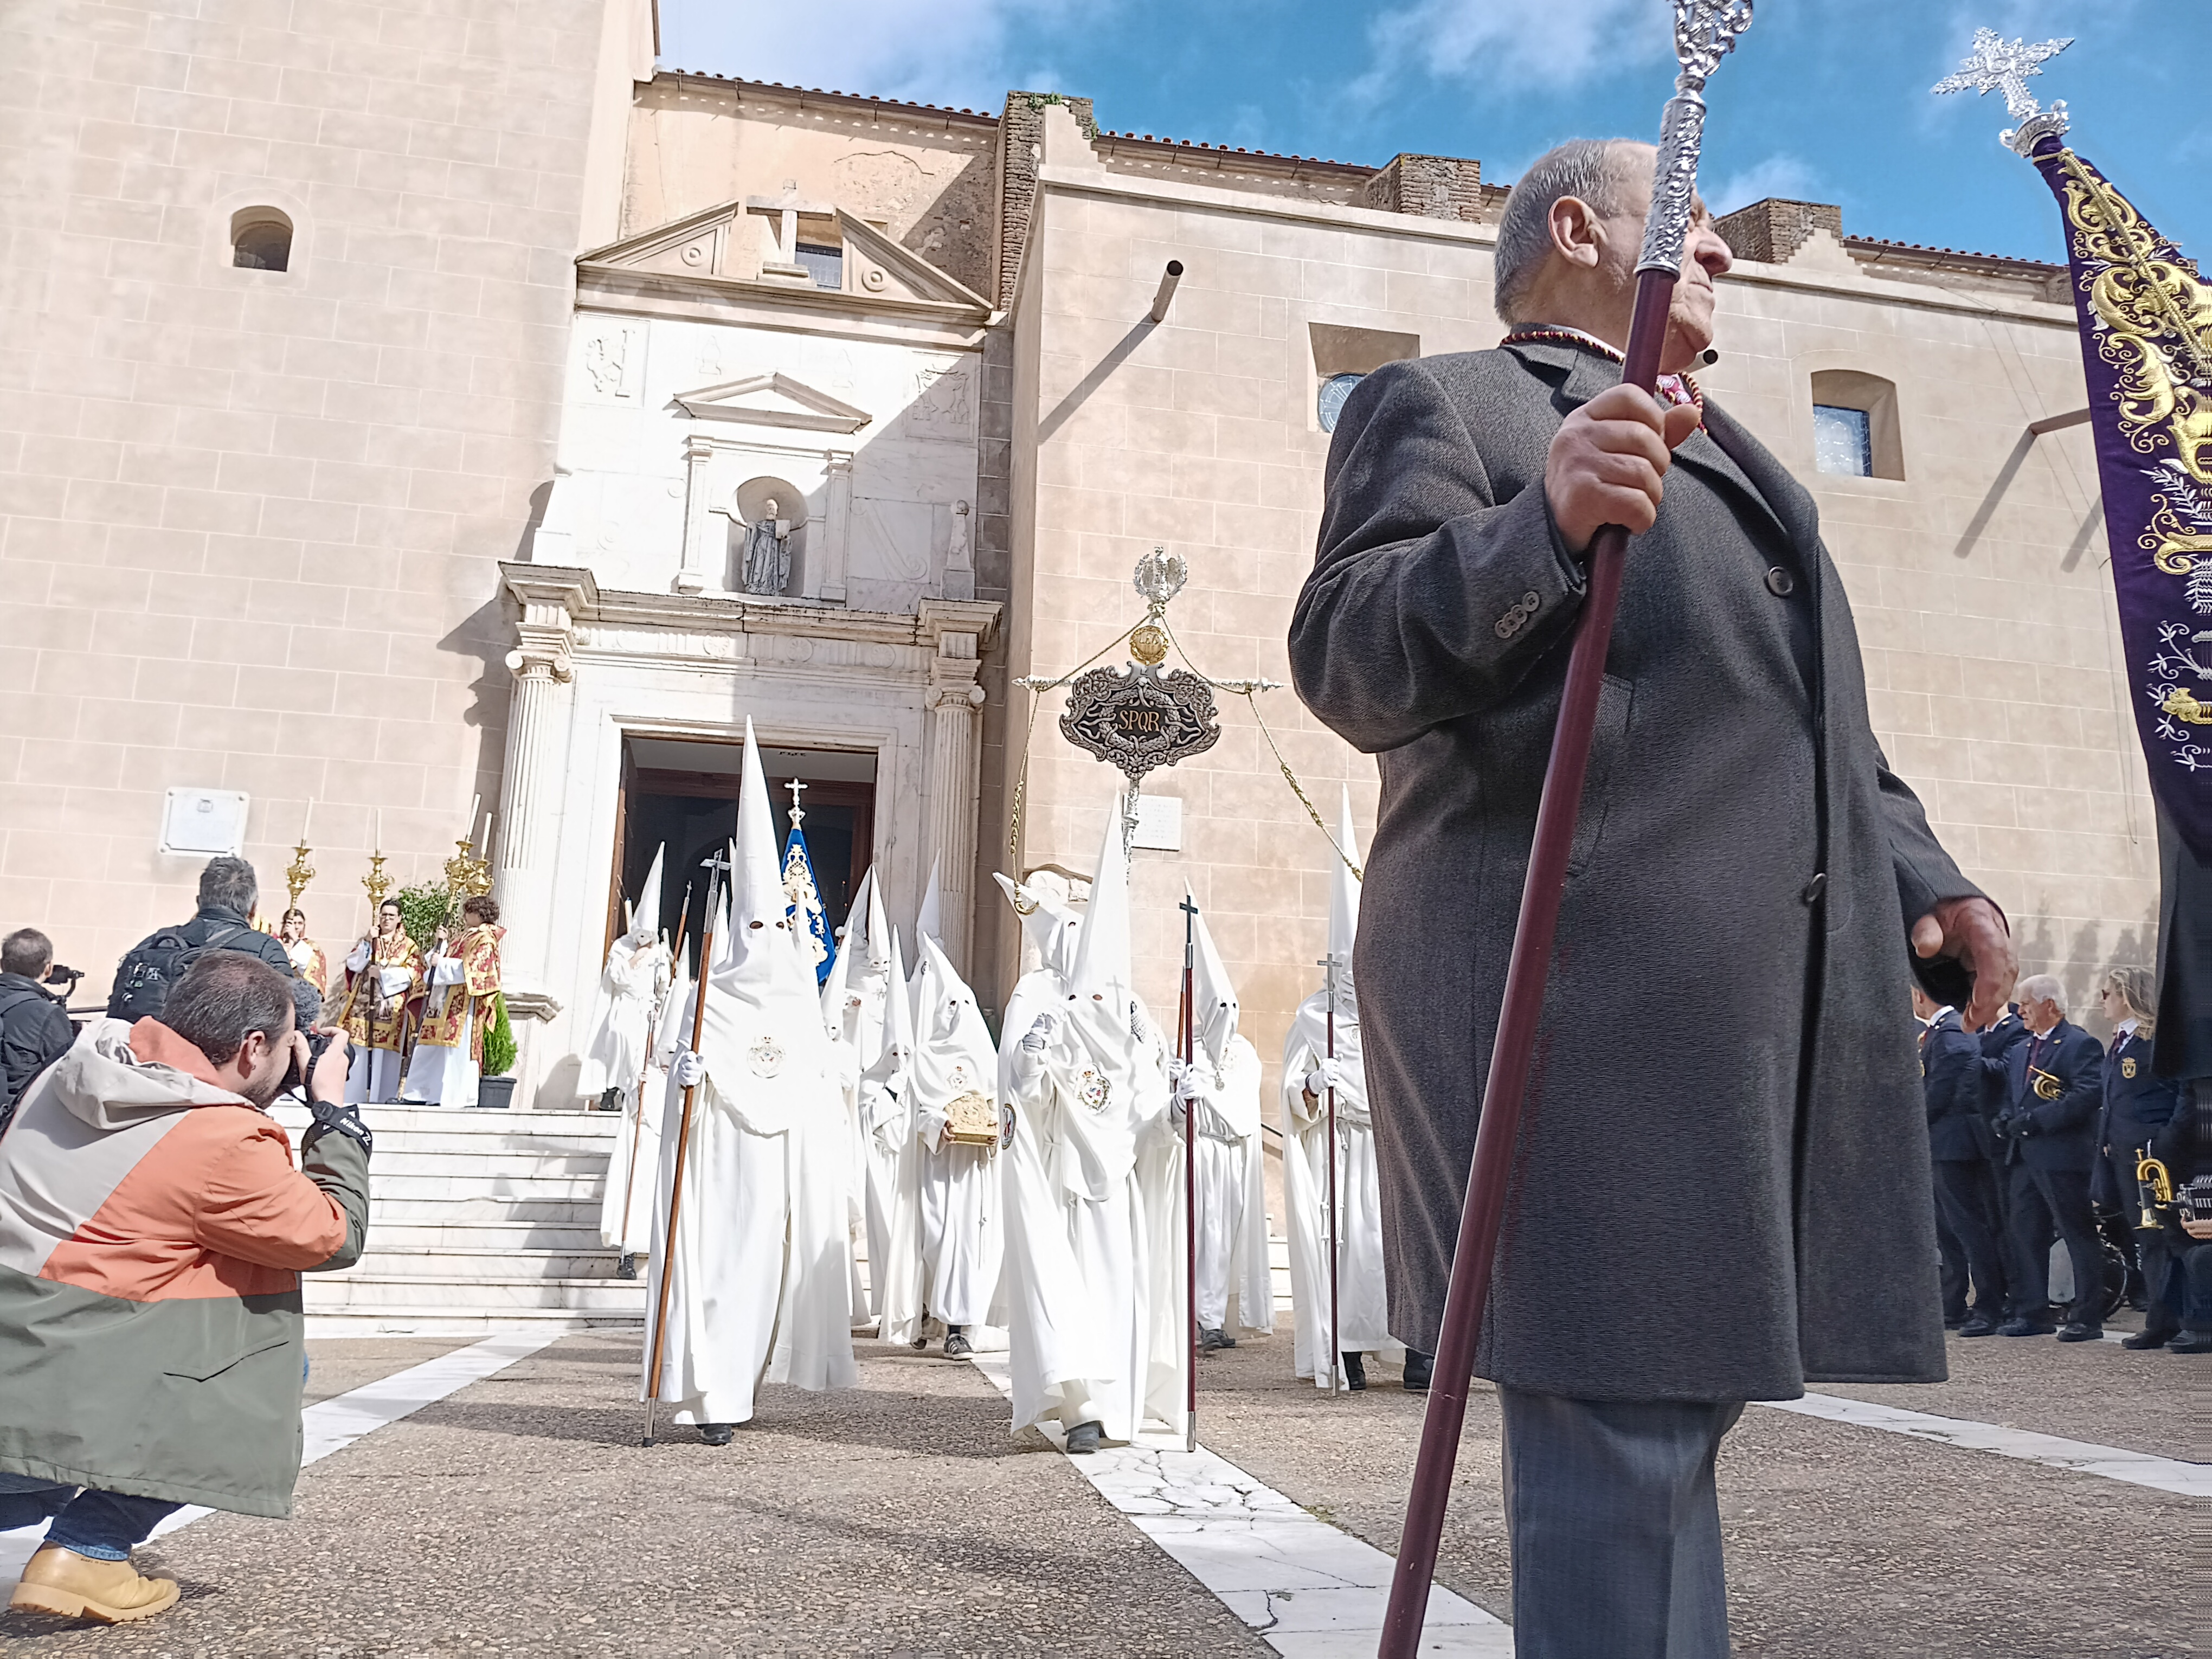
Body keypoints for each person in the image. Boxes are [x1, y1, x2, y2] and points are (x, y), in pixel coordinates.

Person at [1287, 137, 2016, 1658]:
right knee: (1619, 1423)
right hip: (1574, 1006)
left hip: (1741, 1014)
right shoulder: (1457, 405)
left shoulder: (1743, 461)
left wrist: (1928, 879)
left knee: (1670, 1419)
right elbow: (1346, 652)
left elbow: (1818, 727)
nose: (1733, 257)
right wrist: (1534, 530)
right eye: (1693, 232)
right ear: (1579, 231)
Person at [0, 951, 367, 1625]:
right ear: (254, 1047)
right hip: (62, 1386)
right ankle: (89, 1550)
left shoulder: (75, 1067)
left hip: (17, 1352)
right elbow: (330, 1235)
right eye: (288, 1046)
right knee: (271, 1363)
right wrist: (335, 1117)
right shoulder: (221, 1135)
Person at [644, 722, 853, 1443]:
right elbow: (672, 1071)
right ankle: (704, 1394)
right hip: (712, 1165)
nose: (764, 936)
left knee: (758, 1279)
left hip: (770, 1171)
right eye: (752, 924)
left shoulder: (800, 1002)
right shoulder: (704, 995)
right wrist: (685, 1076)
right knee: (710, 1271)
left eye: (776, 926)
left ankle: (734, 1392)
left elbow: (818, 1083)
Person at [999, 805, 1184, 1454]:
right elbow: (1018, 1094)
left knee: (1119, 1295)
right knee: (1068, 1290)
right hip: (1061, 1183)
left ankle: (1117, 1408)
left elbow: (1148, 1100)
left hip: (1120, 1186)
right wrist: (1034, 1057)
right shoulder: (1037, 1000)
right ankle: (1078, 1406)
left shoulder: (1131, 1014)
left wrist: (1175, 1110)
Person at [1281, 793, 1404, 1392]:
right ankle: (1346, 1351)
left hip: (1387, 1151)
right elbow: (1288, 1091)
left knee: (1392, 1248)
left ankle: (1416, 1351)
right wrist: (1310, 1086)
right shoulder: (1312, 1018)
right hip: (1340, 1150)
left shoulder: (1395, 1012)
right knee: (1347, 1254)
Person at [878, 934, 1005, 1359]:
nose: (957, 1015)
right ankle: (928, 1311)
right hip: (938, 1163)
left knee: (965, 1245)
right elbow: (913, 1113)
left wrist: (989, 1126)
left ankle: (958, 1328)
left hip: (973, 1168)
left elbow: (998, 1103)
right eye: (949, 1006)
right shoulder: (924, 1057)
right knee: (934, 1238)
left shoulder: (986, 1059)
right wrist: (938, 1123)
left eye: (963, 1006)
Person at [1173, 892, 1271, 1356]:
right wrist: (1177, 1089)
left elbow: (1239, 1110)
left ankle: (1214, 1316)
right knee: (1196, 1234)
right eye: (1219, 1010)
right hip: (1198, 1151)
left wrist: (1205, 1090)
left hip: (1230, 1153)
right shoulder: (1184, 1050)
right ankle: (1191, 1313)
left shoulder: (1244, 1054)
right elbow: (1169, 1114)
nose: (1226, 1020)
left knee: (1221, 1238)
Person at [1983, 975, 2107, 1340]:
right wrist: (2006, 1117)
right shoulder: (2021, 1049)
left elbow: (2086, 1095)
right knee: (2025, 1235)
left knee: (2076, 1233)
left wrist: (2037, 1121)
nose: (2019, 1010)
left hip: (2062, 1156)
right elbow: (2014, 1093)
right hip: (2023, 1155)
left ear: (2050, 1005)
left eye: (2026, 1004)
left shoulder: (2080, 1044)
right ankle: (2032, 1312)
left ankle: (2087, 1316)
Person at [2095, 968, 2184, 1348]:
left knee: (2164, 1238)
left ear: (2129, 996)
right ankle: (2162, 1319)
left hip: (2153, 1157)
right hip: (2123, 1156)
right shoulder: (2121, 1043)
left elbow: (2180, 1093)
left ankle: (2170, 1320)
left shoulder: (2154, 1043)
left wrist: (2164, 1139)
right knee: (2146, 1238)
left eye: (2108, 993)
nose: (2103, 1000)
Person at [1915, 986, 2007, 1336]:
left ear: (1921, 996)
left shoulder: (1952, 1032)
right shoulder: (1944, 1031)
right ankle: (1951, 1303)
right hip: (1945, 1142)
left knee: (1968, 1227)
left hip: (1955, 1144)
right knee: (1948, 1229)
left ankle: (1988, 1303)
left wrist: (1913, 1123)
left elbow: (1940, 1091)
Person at [107, 856, 296, 1022]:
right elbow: (290, 1017)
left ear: (199, 902)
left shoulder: (156, 942)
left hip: (141, 1059)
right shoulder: (266, 950)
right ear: (253, 908)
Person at [400, 897, 504, 1109]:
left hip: (462, 1005)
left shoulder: (485, 939)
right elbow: (438, 961)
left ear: (479, 913)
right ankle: (421, 1092)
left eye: (468, 912)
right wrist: (443, 943)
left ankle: (450, 1095)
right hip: (441, 999)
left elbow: (475, 969)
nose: (464, 916)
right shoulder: (464, 936)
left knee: (454, 1051)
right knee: (430, 1046)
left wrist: (443, 964)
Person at [340, 899, 422, 1104]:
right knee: (358, 1055)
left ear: (400, 919)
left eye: (391, 916)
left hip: (391, 1010)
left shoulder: (408, 945)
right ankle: (354, 1099)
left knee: (385, 1059)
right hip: (363, 1007)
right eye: (384, 915)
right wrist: (368, 942)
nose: (387, 919)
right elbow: (354, 964)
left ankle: (381, 1100)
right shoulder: (370, 940)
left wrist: (384, 976)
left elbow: (414, 973)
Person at [0, 929, 75, 1128]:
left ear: (2, 964)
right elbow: (67, 1075)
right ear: (48, 969)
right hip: (12, 1126)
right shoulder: (47, 1014)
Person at [276, 909, 329, 1001]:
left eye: (300, 923)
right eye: (293, 923)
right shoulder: (276, 943)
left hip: (300, 994)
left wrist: (295, 939)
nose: (296, 927)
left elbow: (309, 964)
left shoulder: (311, 946)